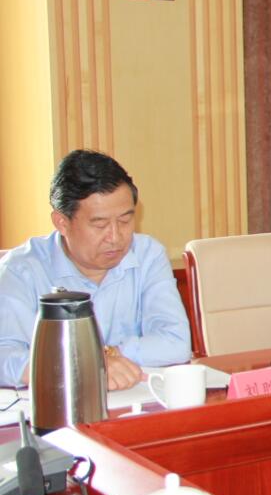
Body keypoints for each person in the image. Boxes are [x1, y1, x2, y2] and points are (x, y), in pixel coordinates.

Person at [0, 150, 191, 389]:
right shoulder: (21, 270)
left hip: (134, 401)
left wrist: (109, 355)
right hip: (56, 404)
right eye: (100, 225)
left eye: (125, 221)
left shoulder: (148, 255)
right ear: (62, 222)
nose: (115, 237)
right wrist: (82, 365)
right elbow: (4, 356)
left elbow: (176, 343)